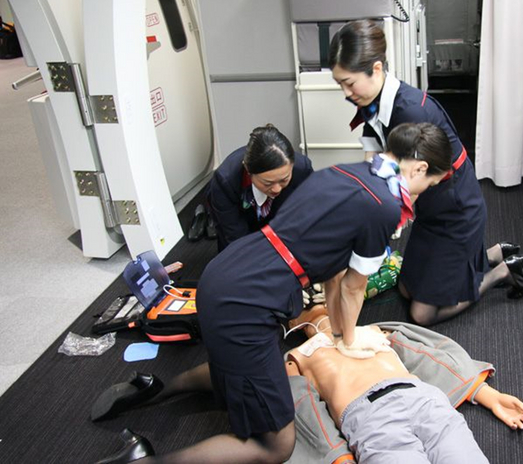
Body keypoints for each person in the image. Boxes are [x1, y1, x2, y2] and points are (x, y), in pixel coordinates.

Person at [92, 123, 454, 463]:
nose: (427, 191)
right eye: (432, 183)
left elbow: (334, 275)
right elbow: (352, 286)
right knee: (275, 445)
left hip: (225, 273)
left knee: (233, 371)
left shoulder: (345, 172)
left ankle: (151, 389)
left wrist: (340, 334)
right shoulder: (384, 205)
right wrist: (349, 341)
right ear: (420, 169)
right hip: (247, 300)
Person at [329, 20, 523, 326]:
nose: (345, 93)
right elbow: (375, 157)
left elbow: (407, 185)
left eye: (349, 83)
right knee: (406, 288)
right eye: (340, 84)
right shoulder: (375, 101)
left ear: (376, 69)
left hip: (455, 210)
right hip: (431, 208)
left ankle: (502, 272)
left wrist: (372, 226)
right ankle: (491, 254)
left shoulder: (410, 111)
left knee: (421, 313)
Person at [284, 305, 523, 463]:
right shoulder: (297, 357)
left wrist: (487, 394)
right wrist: (337, 455)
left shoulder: (372, 331)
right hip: (373, 418)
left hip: (422, 400)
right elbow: (304, 406)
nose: (322, 314)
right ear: (296, 325)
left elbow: (422, 356)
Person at [206, 124, 314, 251]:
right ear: (248, 170)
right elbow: (236, 237)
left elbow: (306, 216)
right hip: (242, 230)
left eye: (284, 180)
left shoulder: (302, 169)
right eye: (268, 183)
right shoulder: (225, 181)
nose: (277, 189)